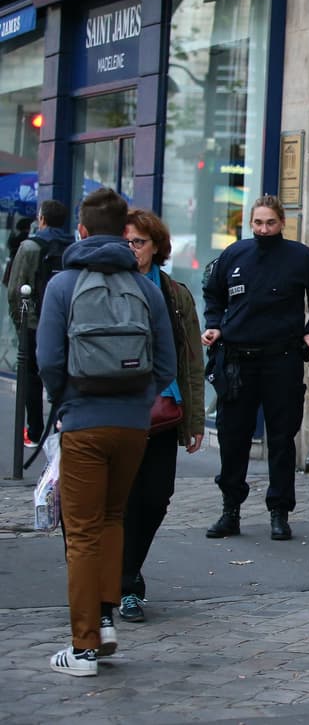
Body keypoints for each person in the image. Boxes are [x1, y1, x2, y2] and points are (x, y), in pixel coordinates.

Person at [37, 188, 177, 676]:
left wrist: (68, 400)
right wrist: (138, 400)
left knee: (81, 533)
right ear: (123, 233)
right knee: (114, 518)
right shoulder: (145, 287)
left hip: (83, 421)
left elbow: (49, 360)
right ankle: (105, 619)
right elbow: (166, 362)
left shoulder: (63, 284)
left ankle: (82, 647)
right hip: (133, 424)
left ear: (80, 229)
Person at [202, 195, 309, 542]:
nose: (264, 229)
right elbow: (213, 294)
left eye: (270, 223)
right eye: (258, 223)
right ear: (250, 224)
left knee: (280, 438)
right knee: (233, 438)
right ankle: (230, 509)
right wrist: (213, 324)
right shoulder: (234, 254)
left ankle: (279, 511)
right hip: (236, 360)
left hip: (282, 359)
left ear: (281, 223)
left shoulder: (300, 257)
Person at [118, 209, 205, 623]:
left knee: (154, 498)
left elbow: (191, 359)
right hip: (115, 411)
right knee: (119, 499)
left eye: (139, 242)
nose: (132, 250)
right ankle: (126, 584)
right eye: (127, 242)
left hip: (162, 413)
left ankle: (127, 570)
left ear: (157, 247)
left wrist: (195, 420)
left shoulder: (174, 294)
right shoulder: (107, 286)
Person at [7, 200, 72, 448]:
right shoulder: (71, 245)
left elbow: (15, 291)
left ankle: (34, 432)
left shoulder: (30, 246)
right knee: (64, 375)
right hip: (65, 323)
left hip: (34, 323)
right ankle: (60, 427)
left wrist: (20, 324)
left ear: (41, 219)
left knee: (31, 378)